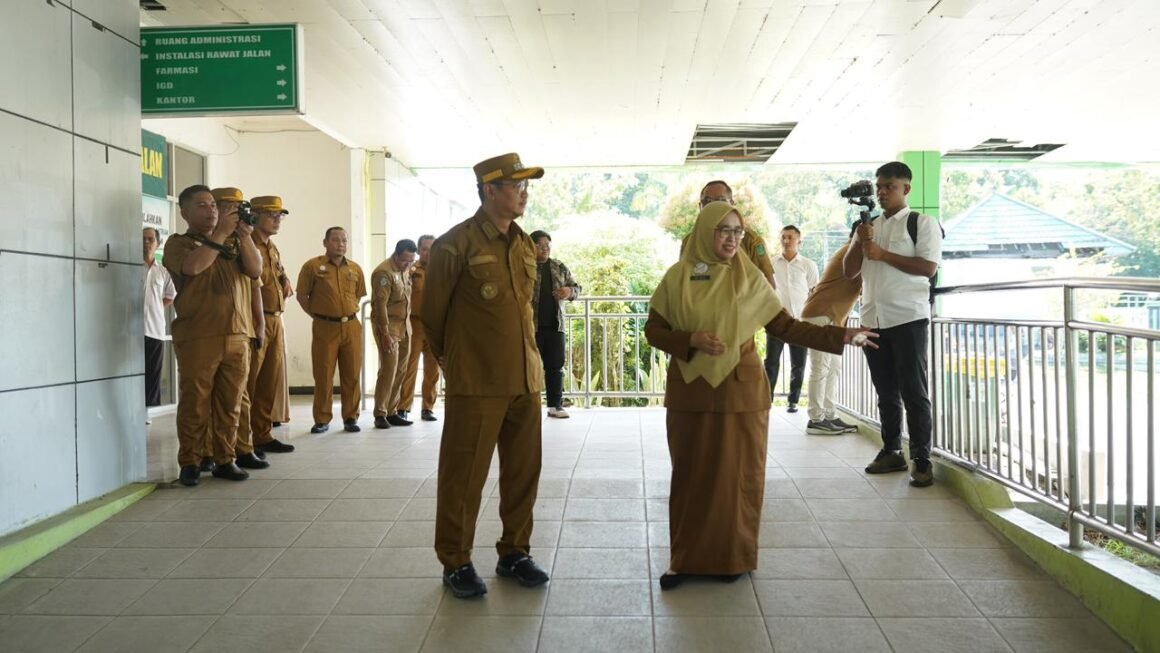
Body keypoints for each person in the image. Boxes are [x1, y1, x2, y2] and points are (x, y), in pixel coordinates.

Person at [645, 201, 876, 590]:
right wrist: (691, 339)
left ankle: (733, 558)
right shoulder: (678, 277)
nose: (732, 238)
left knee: (738, 478)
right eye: (723, 231)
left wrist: (842, 334)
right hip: (691, 390)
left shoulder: (750, 278)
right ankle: (684, 560)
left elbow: (786, 326)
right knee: (691, 477)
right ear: (705, 232)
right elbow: (654, 331)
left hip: (742, 393)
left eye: (738, 232)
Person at [421, 152, 550, 599]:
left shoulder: (522, 243)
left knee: (523, 473)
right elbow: (432, 317)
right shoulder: (454, 244)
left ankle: (514, 552)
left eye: (526, 186)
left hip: (524, 380)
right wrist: (455, 364)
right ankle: (455, 561)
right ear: (490, 189)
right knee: (464, 477)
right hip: (477, 383)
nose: (524, 193)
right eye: (517, 186)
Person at [843, 161, 943, 488]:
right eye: (879, 187)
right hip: (872, 318)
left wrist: (882, 253)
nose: (883, 192)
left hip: (908, 318)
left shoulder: (921, 223)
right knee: (885, 391)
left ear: (906, 189)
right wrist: (861, 242)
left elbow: (927, 267)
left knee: (914, 392)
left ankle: (922, 460)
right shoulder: (867, 225)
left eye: (890, 186)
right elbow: (848, 271)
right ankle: (890, 451)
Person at [163, 185, 263, 486]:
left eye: (213, 205)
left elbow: (256, 270)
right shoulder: (178, 243)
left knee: (230, 403)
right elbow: (193, 267)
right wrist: (219, 235)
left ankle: (225, 458)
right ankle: (191, 461)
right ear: (185, 213)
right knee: (196, 402)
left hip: (237, 333)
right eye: (203, 206)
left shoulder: (235, 240)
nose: (211, 210)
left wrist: (243, 236)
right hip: (199, 336)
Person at [238, 196, 296, 455]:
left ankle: (262, 435)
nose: (277, 220)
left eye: (279, 216)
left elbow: (278, 272)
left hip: (275, 318)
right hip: (255, 319)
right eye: (272, 215)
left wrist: (285, 280)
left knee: (268, 382)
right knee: (248, 383)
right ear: (256, 215)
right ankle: (241, 441)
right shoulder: (247, 244)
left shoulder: (271, 247)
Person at [297, 227, 367, 434]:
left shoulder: (354, 269)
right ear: (325, 242)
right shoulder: (312, 267)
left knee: (352, 374)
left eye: (344, 240)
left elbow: (359, 296)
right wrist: (320, 316)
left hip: (351, 326)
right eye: (336, 240)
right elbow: (302, 296)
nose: (341, 244)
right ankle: (322, 419)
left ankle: (351, 418)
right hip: (324, 327)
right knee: (324, 374)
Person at [802, 233, 863, 435]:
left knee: (833, 368)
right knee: (821, 368)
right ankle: (816, 419)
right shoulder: (852, 252)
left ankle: (829, 415)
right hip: (821, 314)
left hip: (833, 318)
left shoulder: (854, 252)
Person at [684, 180, 777, 288]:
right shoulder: (689, 241)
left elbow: (769, 283)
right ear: (700, 206)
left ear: (732, 204)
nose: (714, 206)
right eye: (707, 201)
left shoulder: (750, 240)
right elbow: (683, 281)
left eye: (721, 200)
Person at [529, 229, 581, 419]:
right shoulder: (523, 266)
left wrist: (568, 291)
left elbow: (577, 288)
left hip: (554, 325)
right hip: (529, 327)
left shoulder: (559, 267)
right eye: (541, 245)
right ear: (531, 246)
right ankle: (528, 407)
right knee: (528, 368)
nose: (545, 249)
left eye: (548, 246)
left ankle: (555, 405)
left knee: (555, 367)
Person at [768, 225, 819, 412]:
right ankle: (767, 400)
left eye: (790, 237)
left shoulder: (808, 265)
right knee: (771, 362)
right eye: (783, 237)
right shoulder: (771, 263)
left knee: (799, 364)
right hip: (777, 321)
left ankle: (793, 401)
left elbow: (814, 292)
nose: (786, 241)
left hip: (799, 322)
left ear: (799, 241)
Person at [371, 239, 418, 429]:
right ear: (396, 255)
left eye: (411, 261)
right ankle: (380, 413)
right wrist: (385, 334)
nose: (408, 265)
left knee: (401, 370)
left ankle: (392, 411)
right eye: (405, 261)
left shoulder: (406, 270)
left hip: (405, 327)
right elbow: (380, 305)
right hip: (388, 327)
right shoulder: (384, 273)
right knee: (388, 370)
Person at [396, 234, 441, 422]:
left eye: (432, 249)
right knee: (409, 367)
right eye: (424, 249)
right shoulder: (411, 270)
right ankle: (403, 407)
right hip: (414, 325)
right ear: (419, 250)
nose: (428, 253)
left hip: (435, 325)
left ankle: (428, 408)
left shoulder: (442, 271)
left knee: (432, 369)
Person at [143, 227, 175, 408]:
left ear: (157, 244)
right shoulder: (131, 267)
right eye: (143, 239)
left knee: (152, 374)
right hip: (131, 332)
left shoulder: (163, 271)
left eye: (150, 239)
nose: (146, 243)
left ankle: (147, 412)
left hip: (154, 329)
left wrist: (155, 307)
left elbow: (170, 296)